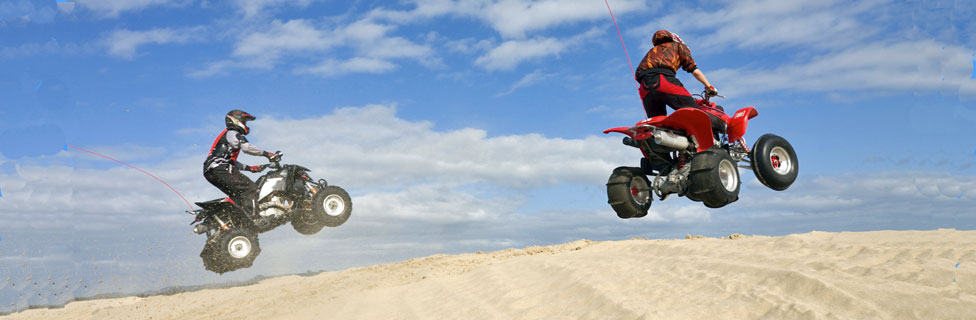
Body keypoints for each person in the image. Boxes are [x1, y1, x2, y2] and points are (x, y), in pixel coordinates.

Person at [203, 109, 280, 224]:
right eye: (244, 121)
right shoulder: (232, 132)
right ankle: (256, 219)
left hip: (210, 171)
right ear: (236, 120)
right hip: (220, 168)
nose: (246, 124)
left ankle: (238, 221)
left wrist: (249, 168)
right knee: (250, 188)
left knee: (238, 195)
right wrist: (267, 154)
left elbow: (229, 161)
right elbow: (246, 148)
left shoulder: (227, 136)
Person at [635, 30, 724, 126]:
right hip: (664, 81)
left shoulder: (652, 51)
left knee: (658, 124)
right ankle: (723, 125)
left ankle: (647, 138)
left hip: (644, 88)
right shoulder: (678, 46)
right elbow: (694, 70)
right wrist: (709, 87)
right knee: (697, 114)